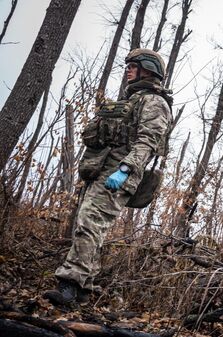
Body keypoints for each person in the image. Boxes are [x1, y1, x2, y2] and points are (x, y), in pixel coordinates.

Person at [44, 49, 173, 307]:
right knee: (91, 225)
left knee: (89, 222)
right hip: (103, 170)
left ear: (148, 69)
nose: (128, 70)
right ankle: (83, 289)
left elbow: (148, 141)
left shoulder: (154, 102)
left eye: (134, 66)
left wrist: (125, 170)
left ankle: (70, 284)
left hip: (120, 173)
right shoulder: (133, 100)